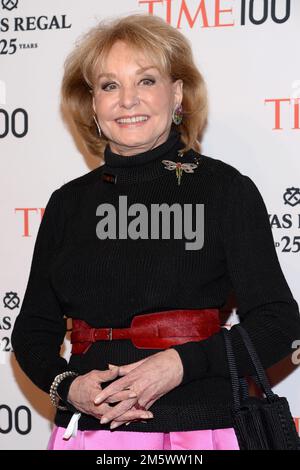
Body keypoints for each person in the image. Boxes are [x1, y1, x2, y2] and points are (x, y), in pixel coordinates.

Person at [12, 13, 300, 451]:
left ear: (178, 94)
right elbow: (32, 330)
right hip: (88, 434)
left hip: (201, 432)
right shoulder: (67, 204)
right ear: (92, 105)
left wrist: (180, 364)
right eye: (109, 86)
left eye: (146, 81)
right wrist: (68, 387)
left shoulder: (225, 190)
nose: (128, 100)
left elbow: (279, 323)